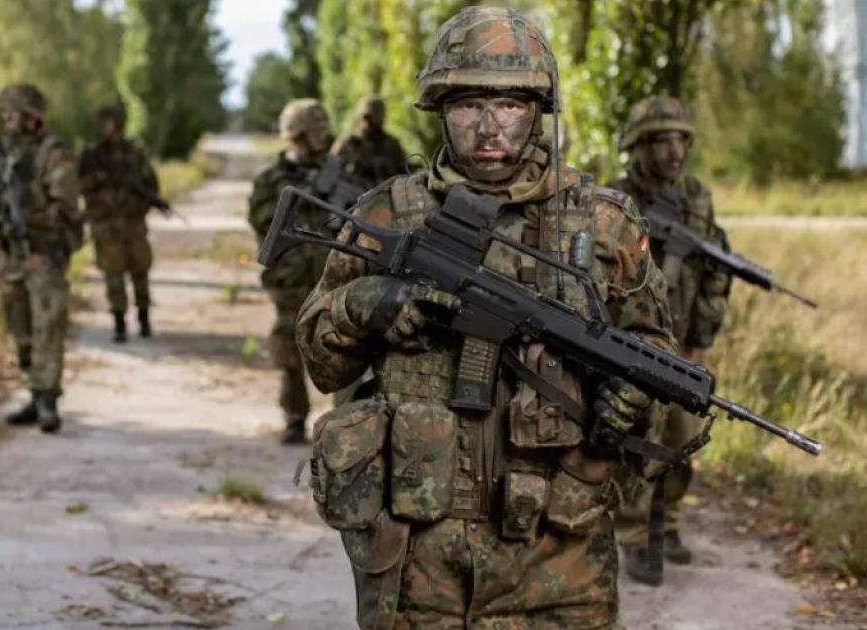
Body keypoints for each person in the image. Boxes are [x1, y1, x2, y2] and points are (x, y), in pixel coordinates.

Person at [294, 8, 678, 627]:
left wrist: (634, 395)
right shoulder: (388, 215)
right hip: (419, 556)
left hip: (562, 557)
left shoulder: (604, 224)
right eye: (469, 105)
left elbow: (653, 347)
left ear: (539, 110)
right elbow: (321, 360)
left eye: (510, 105)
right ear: (440, 108)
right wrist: (367, 304)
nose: (489, 126)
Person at [608, 95, 731, 584]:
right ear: (638, 146)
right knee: (640, 442)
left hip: (684, 344)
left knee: (682, 437)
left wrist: (702, 334)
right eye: (661, 140)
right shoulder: (616, 200)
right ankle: (635, 536)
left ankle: (670, 522)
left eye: (681, 140)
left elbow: (715, 272)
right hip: (633, 343)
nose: (674, 151)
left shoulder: (697, 199)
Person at [0, 83, 81, 433]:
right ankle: (34, 391)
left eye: (14, 112)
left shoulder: (53, 152)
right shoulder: (2, 151)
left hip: (42, 252)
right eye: (4, 112)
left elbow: (65, 203)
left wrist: (32, 214)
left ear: (32, 116)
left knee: (47, 325)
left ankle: (48, 398)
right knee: (18, 326)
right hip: (10, 253)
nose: (6, 118)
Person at [248, 98, 348, 444]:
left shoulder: (340, 174)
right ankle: (294, 418)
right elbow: (261, 220)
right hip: (290, 279)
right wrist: (304, 198)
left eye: (323, 130)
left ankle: (345, 423)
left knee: (344, 348)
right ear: (297, 135)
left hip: (336, 277)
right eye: (315, 131)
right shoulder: (271, 180)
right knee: (289, 349)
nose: (322, 137)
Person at [79, 103, 159, 343]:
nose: (109, 128)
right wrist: (101, 190)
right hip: (107, 225)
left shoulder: (134, 153)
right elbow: (81, 187)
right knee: (113, 277)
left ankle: (144, 318)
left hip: (133, 224)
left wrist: (140, 204)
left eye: (113, 122)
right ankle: (119, 323)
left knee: (140, 272)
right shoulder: (92, 156)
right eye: (106, 122)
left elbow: (151, 185)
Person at [333, 95, 408, 186]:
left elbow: (404, 174)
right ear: (358, 117)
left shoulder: (392, 145)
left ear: (382, 116)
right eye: (366, 117)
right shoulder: (347, 143)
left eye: (375, 115)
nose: (369, 122)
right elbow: (330, 170)